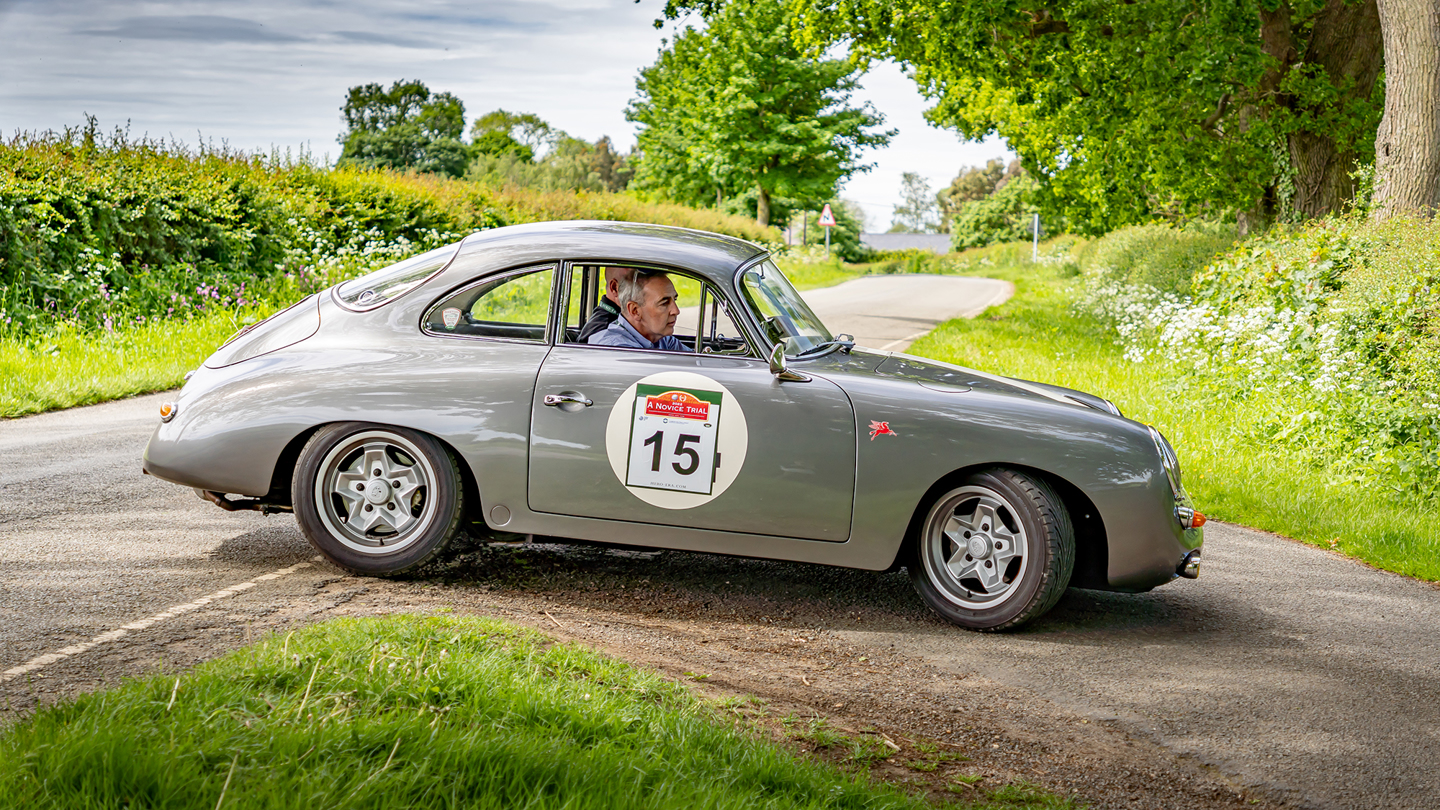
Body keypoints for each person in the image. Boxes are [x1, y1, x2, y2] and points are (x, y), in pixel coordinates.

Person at [588, 270, 690, 352]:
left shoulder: (662, 339)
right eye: (664, 303)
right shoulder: (616, 349)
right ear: (635, 310)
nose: (676, 311)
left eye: (674, 300)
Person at [577, 266, 632, 342]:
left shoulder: (603, 320)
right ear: (614, 287)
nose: (641, 290)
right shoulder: (606, 333)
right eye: (634, 283)